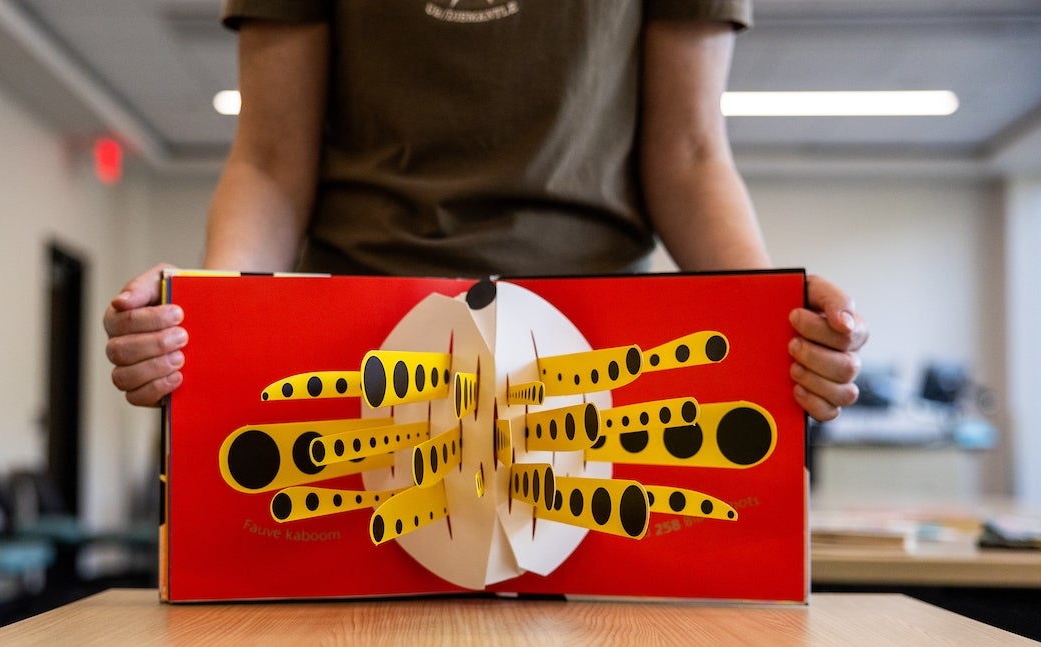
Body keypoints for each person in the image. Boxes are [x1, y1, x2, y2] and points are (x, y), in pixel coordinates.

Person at [104, 1, 867, 421]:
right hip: (356, 351)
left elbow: (692, 157)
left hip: (594, 357)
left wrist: (775, 323)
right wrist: (208, 311)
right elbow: (271, 161)